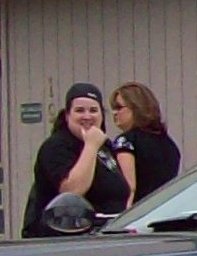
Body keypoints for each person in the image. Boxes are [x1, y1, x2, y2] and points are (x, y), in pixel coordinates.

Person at [22, 83, 131, 236]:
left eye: (93, 110)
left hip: (107, 235)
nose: (87, 116)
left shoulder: (105, 147)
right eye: (80, 110)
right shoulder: (55, 147)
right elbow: (73, 190)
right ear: (67, 116)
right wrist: (91, 146)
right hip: (67, 239)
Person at [106, 82, 182, 205]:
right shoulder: (170, 144)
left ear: (136, 108)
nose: (114, 113)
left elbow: (127, 188)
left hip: (138, 213)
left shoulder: (126, 141)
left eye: (119, 107)